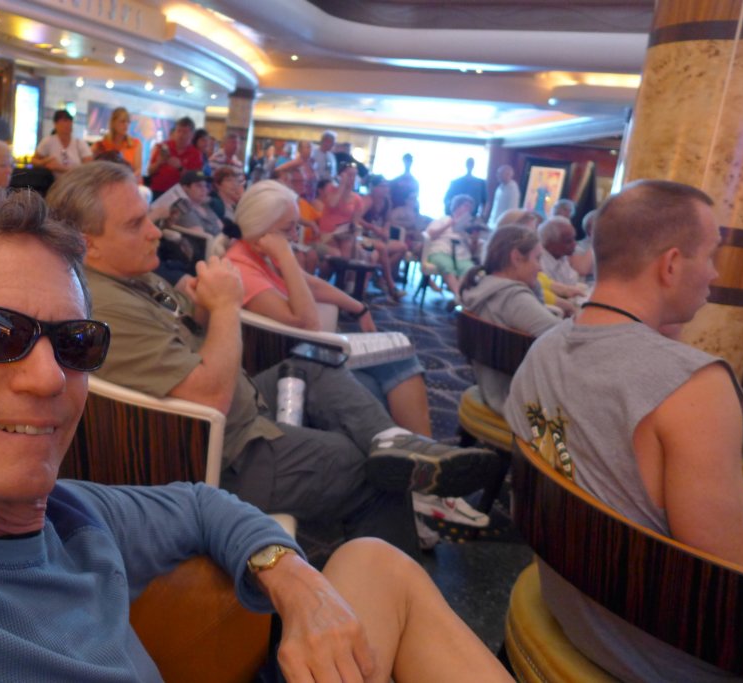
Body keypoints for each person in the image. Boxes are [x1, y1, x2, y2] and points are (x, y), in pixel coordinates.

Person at [0, 183, 512, 683]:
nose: (47, 378)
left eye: (74, 343)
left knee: (374, 560)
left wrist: (295, 579)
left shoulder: (79, 513)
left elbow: (205, 504)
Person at [47, 162, 498, 554]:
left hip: (231, 420)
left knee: (309, 366)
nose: (155, 231)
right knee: (369, 470)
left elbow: (185, 334)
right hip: (219, 457)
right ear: (89, 245)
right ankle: (391, 603)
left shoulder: (130, 277)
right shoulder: (105, 309)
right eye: (135, 224)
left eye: (148, 217)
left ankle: (394, 441)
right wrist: (226, 306)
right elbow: (211, 398)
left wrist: (202, 306)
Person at [506, 179, 743, 682]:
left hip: (568, 598)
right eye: (710, 255)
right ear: (671, 264)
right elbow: (736, 587)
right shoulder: (695, 387)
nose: (714, 273)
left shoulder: (544, 348)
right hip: (664, 651)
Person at [226, 181, 488, 529]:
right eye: (288, 229)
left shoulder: (260, 258)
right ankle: (423, 480)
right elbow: (306, 322)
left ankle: (419, 471)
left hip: (305, 358)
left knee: (396, 361)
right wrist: (286, 256)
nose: (294, 235)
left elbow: (309, 284)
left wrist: (358, 306)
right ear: (263, 230)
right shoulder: (243, 269)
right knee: (391, 370)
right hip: (287, 371)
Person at [459, 226, 560, 412]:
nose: (540, 267)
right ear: (516, 258)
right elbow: (562, 340)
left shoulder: (481, 285)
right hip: (522, 406)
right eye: (537, 258)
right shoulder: (512, 297)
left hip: (490, 389)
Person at [424, 194, 478, 301]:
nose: (468, 210)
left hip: (461, 255)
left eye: (470, 208)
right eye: (466, 206)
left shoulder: (467, 228)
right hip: (441, 251)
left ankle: (461, 296)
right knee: (446, 265)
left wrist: (474, 239)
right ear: (457, 206)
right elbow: (430, 234)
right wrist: (449, 225)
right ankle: (459, 296)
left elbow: (472, 251)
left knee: (469, 269)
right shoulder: (444, 220)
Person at [146, 116, 203, 197]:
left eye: (185, 132)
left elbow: (197, 178)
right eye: (178, 131)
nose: (181, 135)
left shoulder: (196, 154)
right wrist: (159, 163)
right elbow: (149, 171)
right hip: (157, 191)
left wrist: (180, 168)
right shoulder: (163, 147)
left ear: (192, 135)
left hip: (180, 194)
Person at [32, 110, 92, 175]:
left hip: (77, 180)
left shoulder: (80, 143)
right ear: (55, 124)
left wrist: (61, 168)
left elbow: (88, 169)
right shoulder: (48, 141)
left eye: (70, 121)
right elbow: (34, 161)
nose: (68, 124)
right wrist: (45, 161)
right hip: (55, 181)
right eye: (64, 121)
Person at [91, 106, 142, 180]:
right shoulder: (100, 145)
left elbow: (138, 171)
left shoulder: (135, 144)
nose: (126, 125)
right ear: (113, 123)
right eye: (122, 121)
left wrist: (127, 180)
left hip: (129, 182)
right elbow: (89, 166)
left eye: (128, 122)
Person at [487, 164, 520, 228]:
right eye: (497, 173)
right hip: (492, 223)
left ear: (508, 174)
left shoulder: (513, 189)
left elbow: (512, 210)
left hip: (503, 225)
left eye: (500, 173)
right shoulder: (499, 187)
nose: (497, 175)